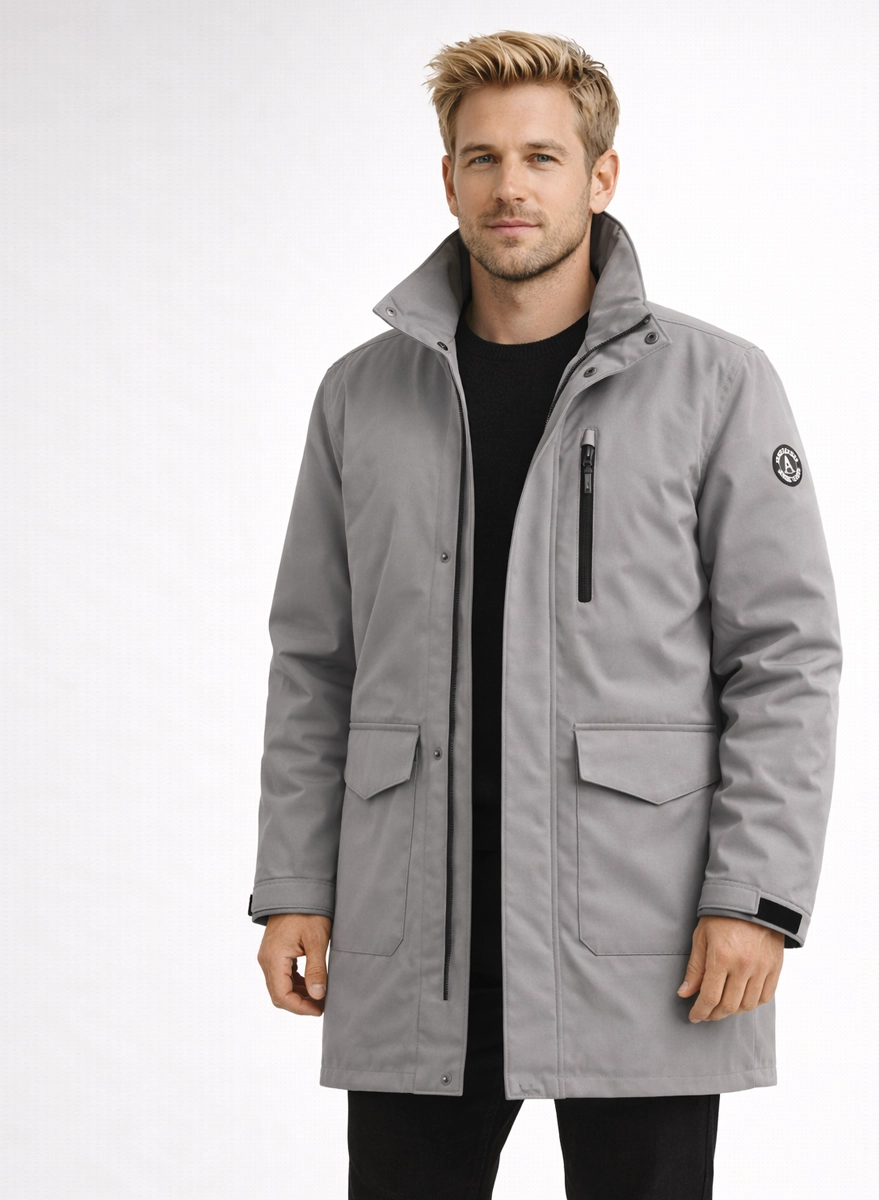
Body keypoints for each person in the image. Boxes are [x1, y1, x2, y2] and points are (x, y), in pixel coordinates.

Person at [250, 29, 842, 1199]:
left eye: (540, 157)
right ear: (447, 180)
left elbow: (785, 657)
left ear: (599, 175)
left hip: (643, 931)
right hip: (418, 934)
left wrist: (755, 901)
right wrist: (295, 885)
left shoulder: (715, 385)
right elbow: (315, 659)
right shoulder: (361, 395)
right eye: (480, 159)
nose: (509, 187)